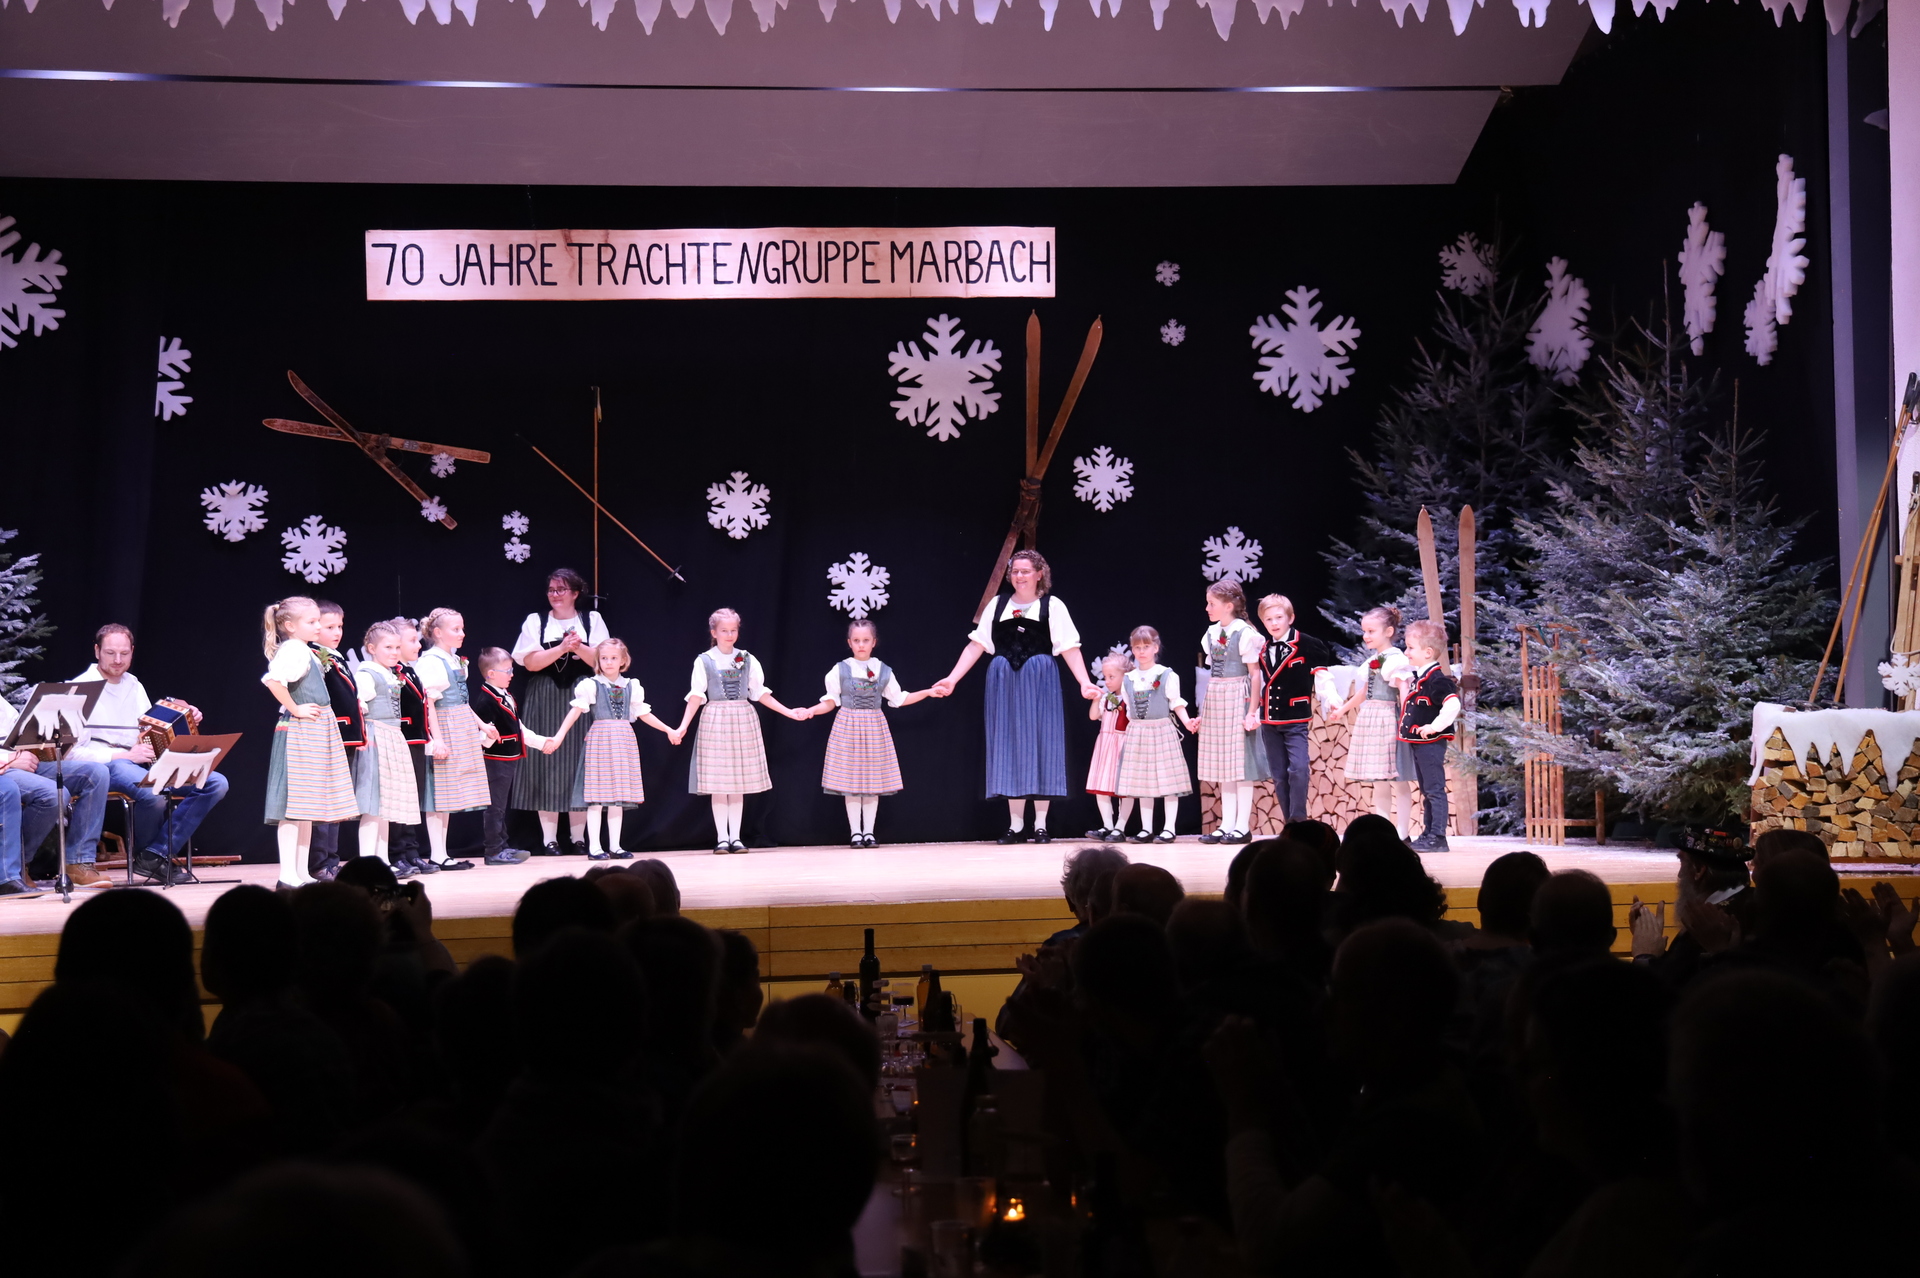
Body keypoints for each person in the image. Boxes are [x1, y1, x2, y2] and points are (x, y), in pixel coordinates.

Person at [931, 549, 1099, 845]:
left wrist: (1084, 682)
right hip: (1004, 680)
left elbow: (1070, 648)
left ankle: (1041, 825)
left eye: (1025, 571)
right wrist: (952, 678)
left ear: (1039, 574)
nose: (1019, 576)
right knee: (1007, 745)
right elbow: (976, 646)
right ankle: (1016, 825)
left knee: (1043, 743)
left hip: (1040, 679)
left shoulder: (1052, 605)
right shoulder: (997, 605)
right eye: (1015, 571)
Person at [69, 622, 223, 885]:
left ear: (132, 651)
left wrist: (184, 713)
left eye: (124, 653)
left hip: (142, 759)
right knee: (153, 792)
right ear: (97, 651)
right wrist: (123, 756)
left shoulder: (133, 684)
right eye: (110, 653)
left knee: (215, 783)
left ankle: (155, 854)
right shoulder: (79, 688)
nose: (118, 660)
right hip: (110, 763)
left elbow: (148, 727)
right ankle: (150, 856)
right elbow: (72, 754)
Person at [669, 607, 809, 854]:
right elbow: (696, 696)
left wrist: (788, 712)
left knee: (737, 783)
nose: (730, 635)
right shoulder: (705, 660)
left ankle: (735, 837)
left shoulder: (747, 658)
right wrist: (682, 726)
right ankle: (722, 838)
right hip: (715, 719)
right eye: (724, 630)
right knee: (719, 783)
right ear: (714, 632)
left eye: (733, 630)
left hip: (743, 718)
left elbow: (760, 693)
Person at [261, 596, 361, 890]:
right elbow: (273, 680)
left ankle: (301, 871)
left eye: (319, 620)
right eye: (312, 621)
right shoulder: (293, 649)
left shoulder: (303, 649)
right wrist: (295, 708)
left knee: (307, 808)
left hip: (316, 729)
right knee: (295, 807)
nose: (318, 626)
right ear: (290, 626)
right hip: (302, 732)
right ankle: (287, 875)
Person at [808, 618, 933, 848]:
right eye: (856, 640)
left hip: (874, 726)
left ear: (874, 642)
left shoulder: (882, 669)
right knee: (852, 781)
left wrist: (927, 692)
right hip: (848, 725)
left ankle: (869, 832)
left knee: (872, 781)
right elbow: (830, 701)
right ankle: (856, 833)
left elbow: (898, 698)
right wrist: (811, 711)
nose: (861, 645)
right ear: (849, 642)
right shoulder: (840, 669)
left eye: (866, 640)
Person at [510, 568, 609, 856]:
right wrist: (563, 647)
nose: (555, 595)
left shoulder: (592, 620)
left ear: (575, 593)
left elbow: (602, 661)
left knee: (581, 761)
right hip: (545, 694)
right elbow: (530, 663)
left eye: (561, 589)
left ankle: (579, 838)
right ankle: (549, 839)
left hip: (582, 693)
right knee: (546, 759)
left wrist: (580, 647)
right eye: (551, 590)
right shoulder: (536, 621)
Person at [549, 638, 674, 861]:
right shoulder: (591, 685)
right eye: (604, 658)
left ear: (623, 660)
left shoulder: (631, 686)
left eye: (614, 658)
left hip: (623, 740)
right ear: (598, 660)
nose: (608, 662)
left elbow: (643, 713)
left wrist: (668, 730)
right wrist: (559, 735)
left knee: (618, 797)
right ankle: (595, 847)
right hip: (601, 740)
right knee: (597, 797)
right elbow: (575, 712)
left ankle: (615, 846)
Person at [0, 692, 112, 888]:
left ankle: (78, 861)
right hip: (6, 768)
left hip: (23, 762)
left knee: (95, 774)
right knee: (53, 794)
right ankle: (19, 865)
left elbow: (16, 733)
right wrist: (9, 760)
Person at [1249, 594, 1337, 828]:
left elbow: (1322, 676)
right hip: (1270, 721)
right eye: (1268, 619)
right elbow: (1263, 682)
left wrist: (1331, 698)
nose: (1274, 623)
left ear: (1290, 618)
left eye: (1279, 617)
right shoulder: (1262, 648)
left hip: (1295, 718)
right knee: (1279, 775)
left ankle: (1298, 821)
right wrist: (1255, 711)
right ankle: (1290, 826)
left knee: (1298, 768)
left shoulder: (1308, 644)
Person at [1195, 580, 1270, 845]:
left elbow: (1255, 674)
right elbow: (1211, 673)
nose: (1207, 608)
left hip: (1238, 695)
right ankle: (1226, 824)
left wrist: (1252, 711)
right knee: (1223, 765)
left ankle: (1241, 826)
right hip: (1217, 696)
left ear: (1228, 606)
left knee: (1240, 764)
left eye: (1212, 603)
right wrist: (1204, 711)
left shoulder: (1244, 633)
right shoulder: (1211, 633)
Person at [1333, 605, 1413, 839]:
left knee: (1397, 778)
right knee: (1379, 780)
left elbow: (1404, 689)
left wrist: (1406, 718)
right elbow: (1365, 692)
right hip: (1371, 718)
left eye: (1371, 631)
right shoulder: (1374, 660)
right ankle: (1383, 832)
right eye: (1364, 631)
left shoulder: (1396, 659)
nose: (1366, 636)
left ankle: (1403, 833)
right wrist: (1343, 709)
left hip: (1387, 719)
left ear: (1388, 632)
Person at [414, 608, 485, 872]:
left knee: (450, 793)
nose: (462, 633)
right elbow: (429, 703)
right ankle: (437, 854)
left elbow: (463, 701)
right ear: (437, 632)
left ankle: (442, 853)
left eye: (462, 628)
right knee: (439, 792)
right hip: (444, 724)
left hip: (460, 723)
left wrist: (481, 725)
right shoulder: (432, 661)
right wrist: (438, 739)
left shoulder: (453, 659)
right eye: (455, 629)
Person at [1114, 625, 1198, 844]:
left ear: (1155, 648)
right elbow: (1129, 710)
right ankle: (1146, 828)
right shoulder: (1129, 678)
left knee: (1169, 780)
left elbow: (1176, 702)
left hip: (1161, 730)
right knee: (1143, 782)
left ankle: (1169, 827)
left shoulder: (1166, 674)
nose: (1141, 651)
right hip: (1138, 732)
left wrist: (1187, 722)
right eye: (1137, 647)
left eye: (1146, 646)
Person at [348, 621, 422, 867]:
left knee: (385, 806)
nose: (394, 652)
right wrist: (361, 734)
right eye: (388, 647)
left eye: (397, 647)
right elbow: (358, 704)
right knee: (373, 804)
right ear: (371, 648)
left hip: (392, 735)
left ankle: (381, 861)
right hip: (376, 736)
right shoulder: (367, 673)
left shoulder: (388, 673)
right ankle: (367, 863)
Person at [470, 645, 552, 867]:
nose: (512, 674)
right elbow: (480, 735)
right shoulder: (486, 700)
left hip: (508, 759)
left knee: (500, 806)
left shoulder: (505, 695)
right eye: (507, 670)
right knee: (494, 807)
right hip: (495, 760)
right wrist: (488, 736)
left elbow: (519, 728)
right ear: (491, 674)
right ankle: (493, 850)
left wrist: (541, 742)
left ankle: (502, 846)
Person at [304, 601, 366, 881]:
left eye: (339, 626)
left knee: (338, 803)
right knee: (323, 803)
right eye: (329, 626)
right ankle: (319, 863)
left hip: (346, 737)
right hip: (326, 734)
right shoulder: (312, 655)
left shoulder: (335, 655)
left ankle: (332, 860)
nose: (337, 632)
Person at [1398, 618, 1460, 854]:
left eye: (1410, 648)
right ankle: (1428, 833)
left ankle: (1438, 837)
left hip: (1431, 743)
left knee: (1434, 789)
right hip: (1420, 743)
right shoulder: (1421, 678)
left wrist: (1434, 727)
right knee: (1427, 790)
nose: (1406, 652)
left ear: (1428, 652)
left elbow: (1453, 705)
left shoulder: (1437, 680)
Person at [1085, 646, 1136, 841]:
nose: (1107, 681)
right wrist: (1096, 699)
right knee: (1101, 787)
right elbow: (1093, 716)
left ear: (1125, 676)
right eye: (1105, 677)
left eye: (1111, 677)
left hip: (1123, 746)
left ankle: (1120, 827)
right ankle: (1107, 825)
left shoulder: (1130, 698)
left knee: (1125, 789)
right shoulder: (1106, 698)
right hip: (1105, 746)